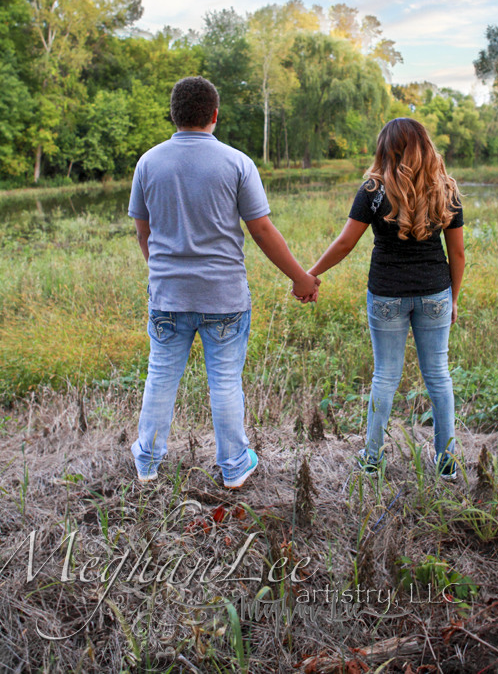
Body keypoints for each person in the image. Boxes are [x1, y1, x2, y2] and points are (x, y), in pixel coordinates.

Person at [128, 76, 319, 488]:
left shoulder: (148, 163)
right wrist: (301, 277)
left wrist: (162, 273)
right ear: (215, 114)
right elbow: (262, 230)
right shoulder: (237, 163)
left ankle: (147, 462)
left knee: (161, 377)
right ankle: (234, 466)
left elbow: (144, 233)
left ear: (173, 115)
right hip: (224, 297)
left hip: (167, 295)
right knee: (226, 382)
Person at [305, 118, 465, 480]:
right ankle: (446, 461)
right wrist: (453, 299)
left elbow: (345, 243)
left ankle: (373, 459)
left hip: (386, 295)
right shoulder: (446, 188)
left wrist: (310, 274)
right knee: (438, 376)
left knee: (386, 376)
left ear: (385, 148)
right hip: (435, 293)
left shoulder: (373, 190)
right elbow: (457, 254)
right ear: (424, 145)